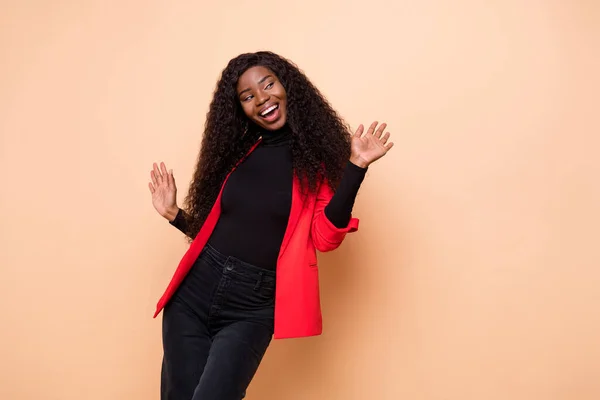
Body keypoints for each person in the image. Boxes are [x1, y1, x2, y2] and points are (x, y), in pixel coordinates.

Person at [148, 51, 394, 400]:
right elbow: (224, 228)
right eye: (248, 97)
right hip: (194, 293)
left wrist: (355, 167)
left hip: (251, 306)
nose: (262, 98)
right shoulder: (238, 153)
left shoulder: (315, 165)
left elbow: (325, 238)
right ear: (241, 109)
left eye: (267, 85)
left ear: (286, 85)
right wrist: (175, 214)